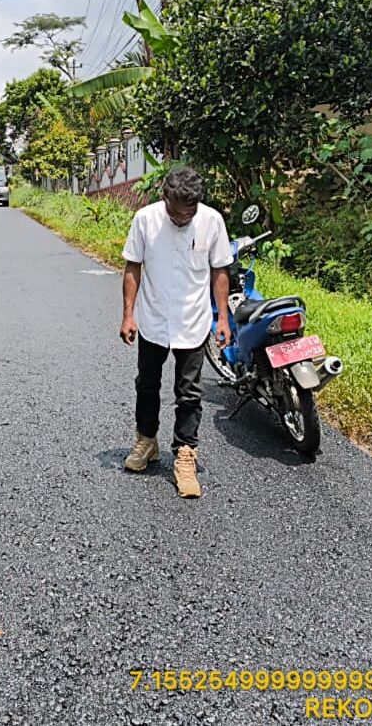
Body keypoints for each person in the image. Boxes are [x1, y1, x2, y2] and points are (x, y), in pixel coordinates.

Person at [119, 167, 233, 498]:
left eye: (189, 213)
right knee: (147, 385)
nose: (182, 219)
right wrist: (128, 314)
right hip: (153, 319)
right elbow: (132, 267)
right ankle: (146, 440)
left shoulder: (212, 221)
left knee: (190, 392)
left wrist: (222, 318)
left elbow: (219, 270)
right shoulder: (145, 219)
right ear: (164, 197)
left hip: (193, 321)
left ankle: (185, 453)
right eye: (176, 213)